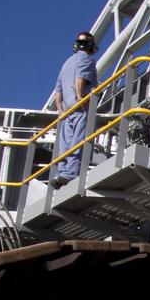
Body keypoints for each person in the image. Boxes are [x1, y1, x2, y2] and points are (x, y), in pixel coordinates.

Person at [52, 31, 99, 189]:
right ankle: (71, 173)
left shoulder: (66, 63)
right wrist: (80, 96)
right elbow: (81, 77)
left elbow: (58, 91)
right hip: (80, 107)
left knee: (65, 144)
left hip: (66, 112)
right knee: (78, 141)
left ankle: (61, 171)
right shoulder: (86, 59)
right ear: (91, 46)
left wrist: (60, 111)